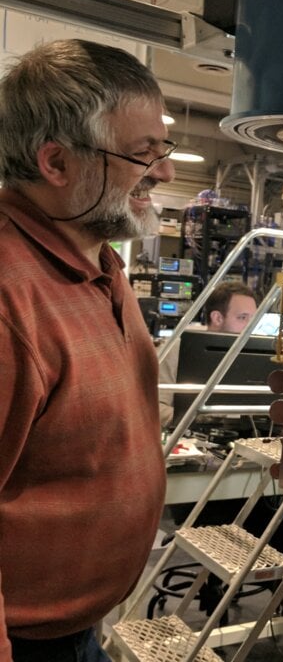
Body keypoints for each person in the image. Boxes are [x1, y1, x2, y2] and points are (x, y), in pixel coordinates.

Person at [0, 39, 174, 662]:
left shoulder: (97, 260)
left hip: (78, 633)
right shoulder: (9, 295)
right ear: (55, 162)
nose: (166, 172)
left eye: (163, 149)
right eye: (142, 154)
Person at [158, 281, 258, 428]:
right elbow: (155, 408)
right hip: (192, 440)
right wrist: (201, 419)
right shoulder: (178, 349)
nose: (251, 326)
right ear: (217, 318)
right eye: (242, 318)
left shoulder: (256, 352)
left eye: (254, 318)